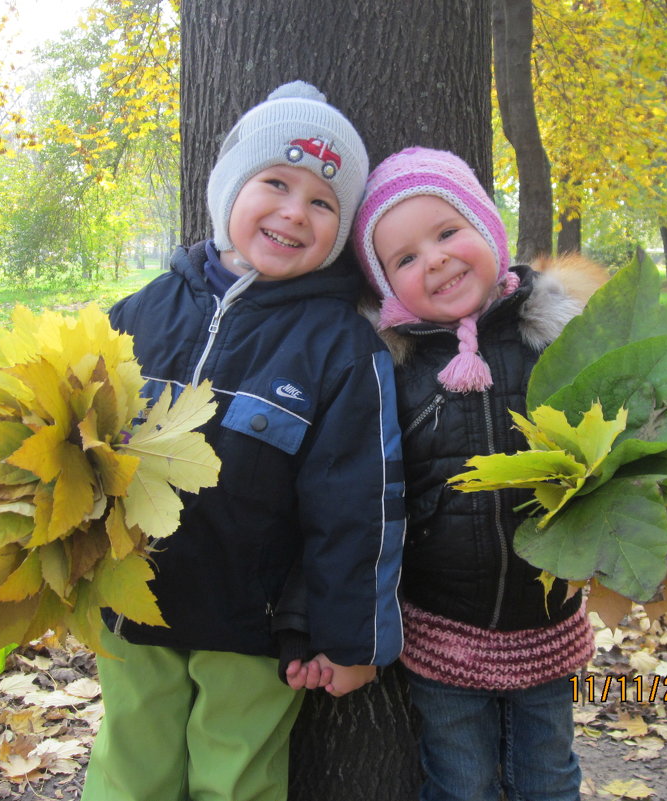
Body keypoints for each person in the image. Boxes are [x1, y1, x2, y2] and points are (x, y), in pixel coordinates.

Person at [81, 82, 406, 801]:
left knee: (235, 781)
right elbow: (76, 438)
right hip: (134, 603)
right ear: (229, 187)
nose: (295, 211)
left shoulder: (343, 346)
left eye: (324, 202)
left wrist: (351, 640)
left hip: (251, 627)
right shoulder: (140, 311)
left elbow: (361, 505)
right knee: (130, 771)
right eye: (276, 183)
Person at [353, 147, 600, 801]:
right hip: (443, 625)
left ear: (488, 229)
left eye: (446, 232)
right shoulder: (395, 370)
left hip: (545, 614)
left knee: (549, 774)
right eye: (404, 258)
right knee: (461, 780)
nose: (432, 258)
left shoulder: (553, 339)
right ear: (384, 282)